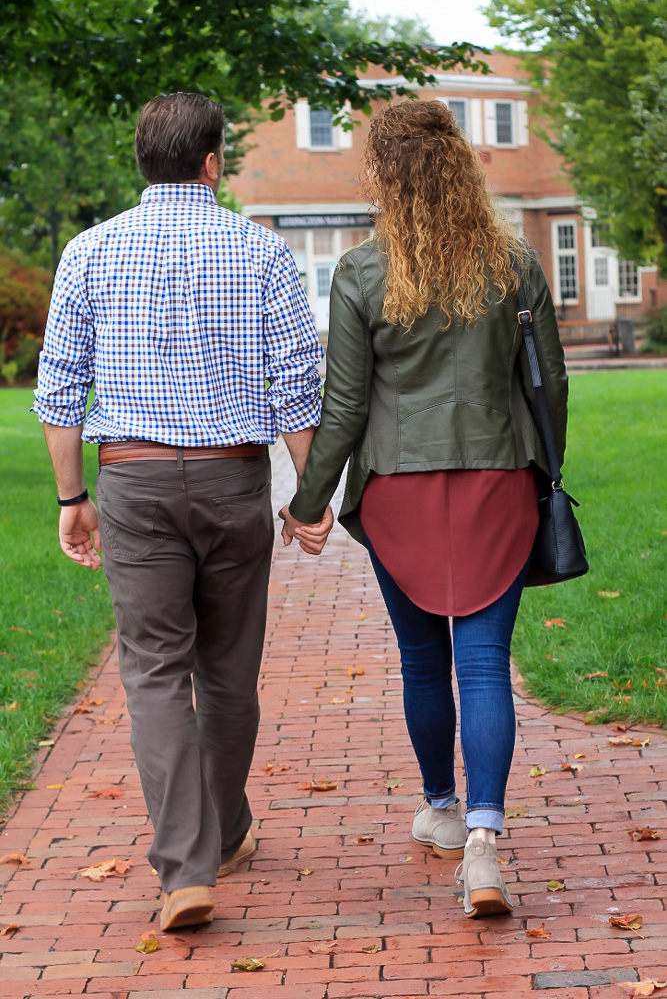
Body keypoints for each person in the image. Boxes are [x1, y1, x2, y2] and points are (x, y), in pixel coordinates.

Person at [33, 92, 331, 931]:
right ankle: (226, 828)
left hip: (134, 484)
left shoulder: (89, 252)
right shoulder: (262, 253)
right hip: (236, 481)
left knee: (156, 670)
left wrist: (71, 497)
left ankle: (184, 867)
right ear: (211, 163)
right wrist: (309, 500)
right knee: (229, 669)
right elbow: (296, 390)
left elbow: (59, 391)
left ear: (143, 162)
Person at [280, 100, 568, 918]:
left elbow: (342, 407)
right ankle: (482, 841)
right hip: (495, 482)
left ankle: (440, 806)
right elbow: (549, 386)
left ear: (382, 175)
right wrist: (546, 475)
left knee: (420, 660)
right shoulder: (511, 263)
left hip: (398, 489)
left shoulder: (362, 271)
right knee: (483, 664)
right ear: (458, 167)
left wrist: (305, 505)